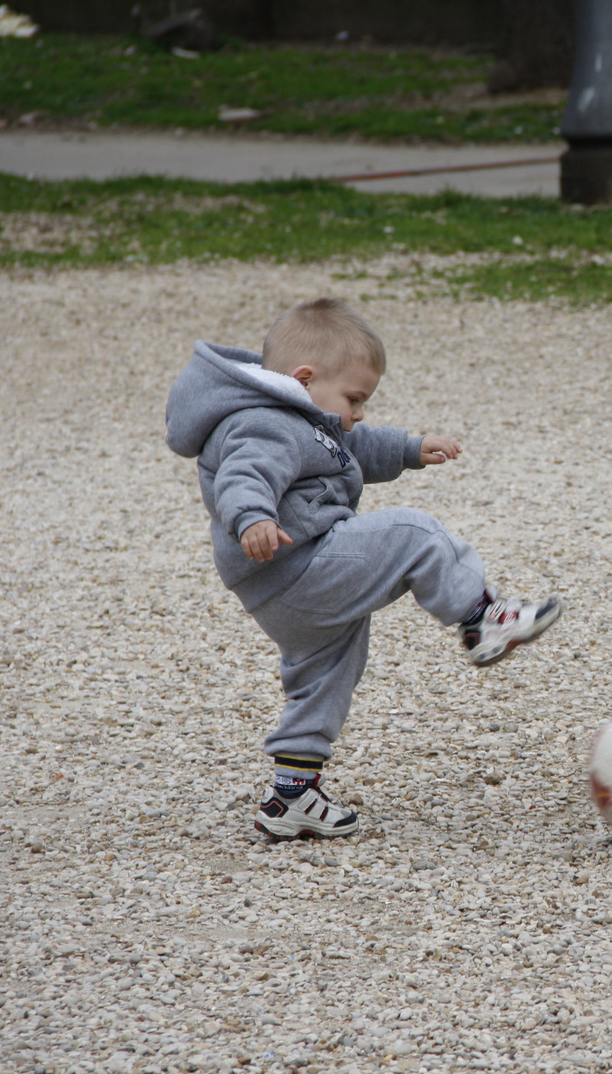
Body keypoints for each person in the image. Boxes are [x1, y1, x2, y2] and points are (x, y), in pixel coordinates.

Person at [165, 298, 562, 841]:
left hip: (282, 591)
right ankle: (480, 616)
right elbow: (245, 472)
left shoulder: (303, 414)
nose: (357, 412)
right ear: (304, 379)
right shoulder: (264, 422)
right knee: (414, 534)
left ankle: (291, 795)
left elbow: (349, 444)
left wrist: (409, 448)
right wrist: (251, 516)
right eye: (355, 398)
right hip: (301, 563)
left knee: (326, 677)